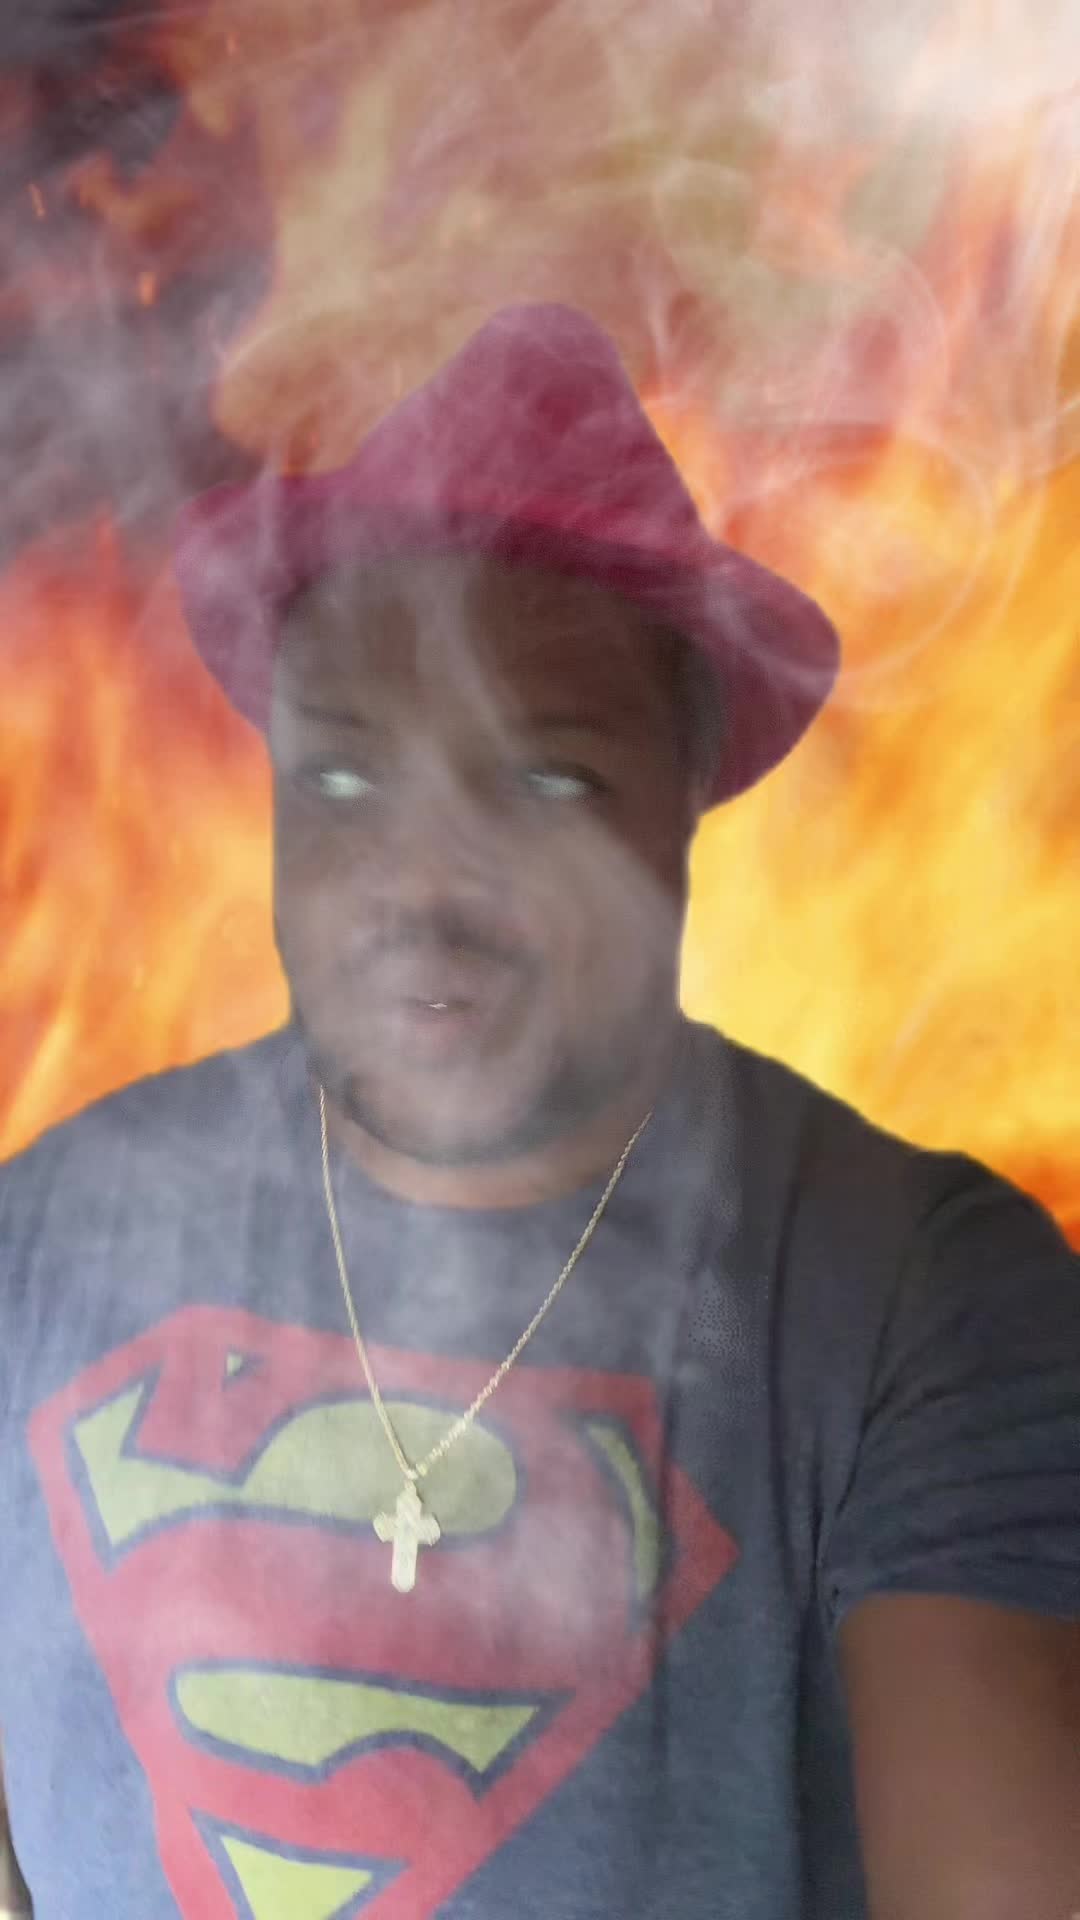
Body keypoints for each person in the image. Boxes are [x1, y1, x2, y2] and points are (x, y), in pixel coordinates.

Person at [0, 303, 1078, 1920]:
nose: (422, 885)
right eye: (346, 778)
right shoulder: (44, 1231)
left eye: (544, 782)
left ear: (685, 798)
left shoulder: (913, 1292)